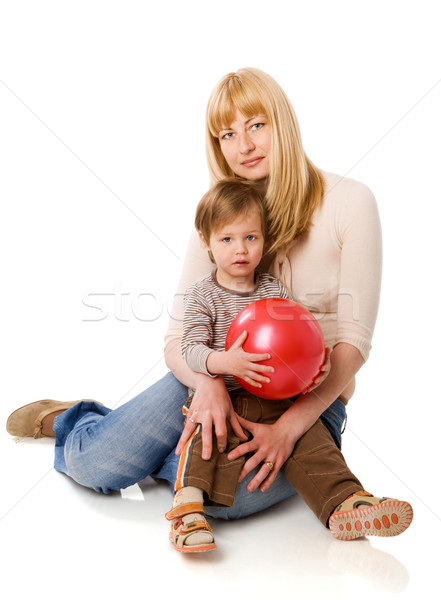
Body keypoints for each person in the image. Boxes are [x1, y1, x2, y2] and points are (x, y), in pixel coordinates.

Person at [6, 67, 413, 544]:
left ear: (283, 122)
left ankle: (167, 459)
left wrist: (289, 427)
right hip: (217, 374)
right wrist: (207, 383)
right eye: (227, 133)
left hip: (310, 399)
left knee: (231, 500)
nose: (244, 145)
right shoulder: (218, 217)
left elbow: (354, 341)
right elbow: (178, 339)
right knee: (101, 464)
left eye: (256, 124)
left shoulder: (351, 201)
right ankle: (78, 419)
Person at [164, 177, 412, 552]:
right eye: (227, 239)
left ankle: (347, 502)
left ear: (264, 240)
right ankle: (187, 511)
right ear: (207, 242)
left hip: (277, 396)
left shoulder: (272, 291)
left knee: (311, 439)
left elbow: (295, 341)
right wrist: (224, 363)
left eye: (251, 238)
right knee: (206, 438)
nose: (241, 250)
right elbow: (190, 348)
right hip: (227, 396)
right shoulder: (203, 293)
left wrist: (316, 367)